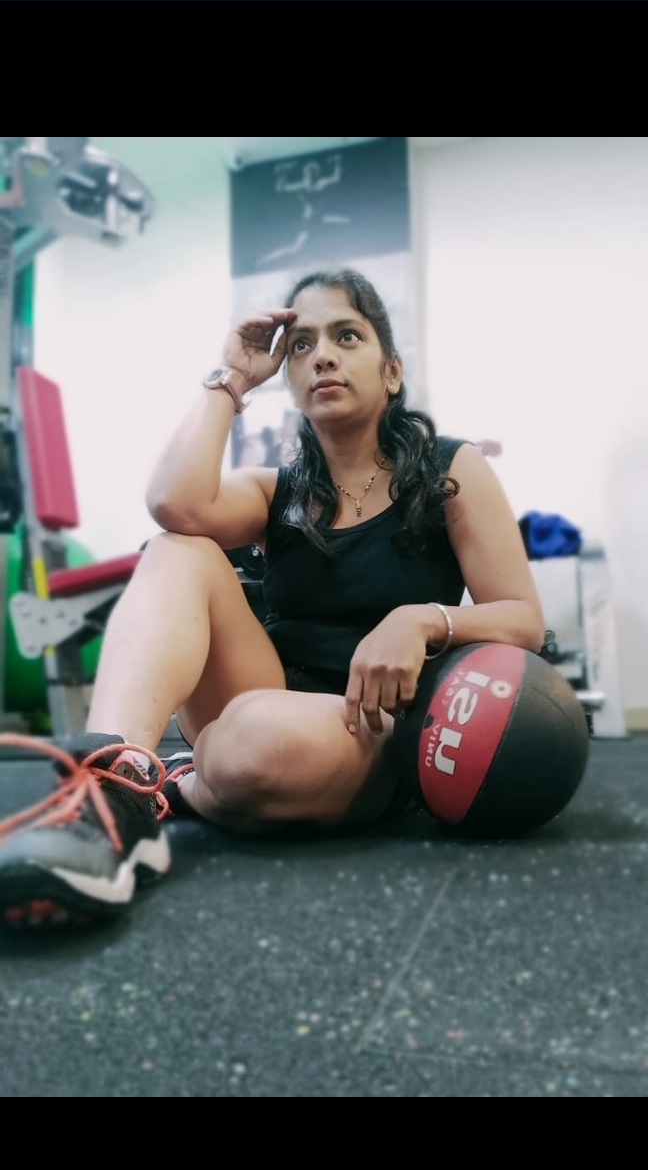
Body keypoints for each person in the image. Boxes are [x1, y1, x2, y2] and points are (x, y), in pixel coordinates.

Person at [0, 268, 545, 929]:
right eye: (302, 345)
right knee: (177, 548)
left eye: (347, 336)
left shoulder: (450, 471)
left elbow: (523, 620)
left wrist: (422, 620)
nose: (323, 355)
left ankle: (180, 783)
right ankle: (112, 793)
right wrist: (232, 376)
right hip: (259, 697)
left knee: (251, 743)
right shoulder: (277, 491)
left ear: (392, 371)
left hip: (371, 724)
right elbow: (172, 502)